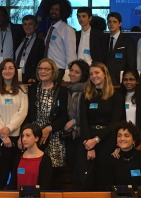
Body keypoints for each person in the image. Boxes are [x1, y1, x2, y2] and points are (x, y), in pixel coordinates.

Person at [77, 62, 124, 190]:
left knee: (104, 180)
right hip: (87, 140)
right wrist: (89, 145)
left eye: (97, 72)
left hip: (107, 140)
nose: (94, 76)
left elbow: (115, 123)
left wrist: (96, 140)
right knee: (86, 181)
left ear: (105, 74)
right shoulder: (86, 95)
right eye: (91, 74)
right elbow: (83, 121)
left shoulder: (116, 96)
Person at [24, 58, 68, 188]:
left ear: (53, 71)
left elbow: (64, 116)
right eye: (40, 68)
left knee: (53, 177)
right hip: (35, 138)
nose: (42, 71)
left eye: (46, 69)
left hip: (54, 137)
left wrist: (48, 129)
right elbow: (28, 114)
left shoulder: (61, 91)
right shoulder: (32, 89)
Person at [0, 59, 28, 190]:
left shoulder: (22, 89)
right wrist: (4, 136)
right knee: (2, 174)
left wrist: (9, 128)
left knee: (17, 173)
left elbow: (22, 112)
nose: (7, 71)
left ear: (15, 71)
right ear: (0, 71)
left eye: (10, 68)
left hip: (18, 138)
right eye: (4, 68)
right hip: (0, 139)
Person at [64, 60, 89, 190]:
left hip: (82, 134)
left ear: (83, 75)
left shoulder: (87, 90)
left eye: (77, 72)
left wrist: (74, 122)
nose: (72, 74)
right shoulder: (67, 89)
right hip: (69, 135)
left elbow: (89, 114)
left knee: (80, 171)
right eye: (71, 70)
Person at [43, 0, 77, 77]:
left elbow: (71, 55)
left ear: (62, 12)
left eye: (57, 9)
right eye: (52, 9)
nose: (53, 11)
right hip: (49, 70)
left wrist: (68, 75)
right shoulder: (51, 29)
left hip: (61, 71)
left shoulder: (67, 30)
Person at [110, 122, 141, 187]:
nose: (122, 139)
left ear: (134, 140)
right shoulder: (111, 159)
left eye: (126, 136)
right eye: (119, 135)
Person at [17, 124, 53, 189]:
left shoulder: (45, 160)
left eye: (28, 136)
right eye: (22, 136)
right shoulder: (19, 158)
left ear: (36, 138)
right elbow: (13, 183)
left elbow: (45, 186)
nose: (24, 139)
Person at [105, 12, 137, 86]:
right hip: (107, 80)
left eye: (114, 22)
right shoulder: (105, 40)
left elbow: (131, 63)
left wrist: (127, 80)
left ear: (120, 24)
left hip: (121, 80)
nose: (111, 24)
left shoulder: (128, 40)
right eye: (109, 22)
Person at [15, 15, 45, 84]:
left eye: (30, 24)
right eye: (25, 24)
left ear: (35, 26)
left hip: (30, 78)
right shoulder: (19, 40)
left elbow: (40, 61)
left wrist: (34, 76)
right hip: (16, 76)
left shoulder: (40, 42)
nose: (27, 27)